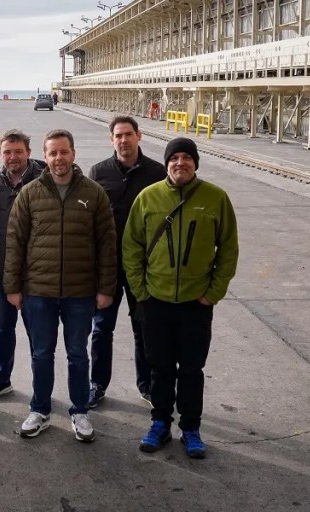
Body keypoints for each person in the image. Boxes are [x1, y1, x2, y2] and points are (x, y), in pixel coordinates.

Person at [122, 137, 239, 459]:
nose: (180, 163)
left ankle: (191, 428)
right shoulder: (149, 197)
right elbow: (131, 247)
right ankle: (159, 423)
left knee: (191, 369)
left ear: (196, 163)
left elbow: (228, 249)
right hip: (155, 300)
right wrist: (140, 291)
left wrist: (213, 292)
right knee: (159, 368)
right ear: (167, 163)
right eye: (174, 158)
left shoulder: (216, 198)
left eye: (187, 158)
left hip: (195, 303)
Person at [4, 129, 117, 442]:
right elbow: (15, 242)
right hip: (38, 291)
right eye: (52, 153)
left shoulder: (93, 193)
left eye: (63, 152)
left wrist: (106, 288)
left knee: (78, 354)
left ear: (73, 153)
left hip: (80, 293)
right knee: (41, 354)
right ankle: (39, 409)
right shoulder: (30, 193)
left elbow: (108, 243)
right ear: (45, 156)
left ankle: (80, 411)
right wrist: (12, 287)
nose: (58, 158)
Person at [85, 116, 166, 409]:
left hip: (143, 267)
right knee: (101, 328)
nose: (124, 140)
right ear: (111, 140)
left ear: (139, 136)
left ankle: (146, 385)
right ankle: (97, 384)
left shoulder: (157, 173)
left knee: (143, 328)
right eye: (118, 135)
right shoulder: (99, 172)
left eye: (128, 134)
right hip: (107, 267)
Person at [0, 129, 45, 401]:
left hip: (36, 273)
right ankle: (2, 379)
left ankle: (41, 387)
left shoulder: (45, 179)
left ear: (28, 152)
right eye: (7, 151)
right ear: (0, 154)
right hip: (0, 269)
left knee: (37, 334)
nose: (13, 156)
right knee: (3, 327)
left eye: (18, 151)